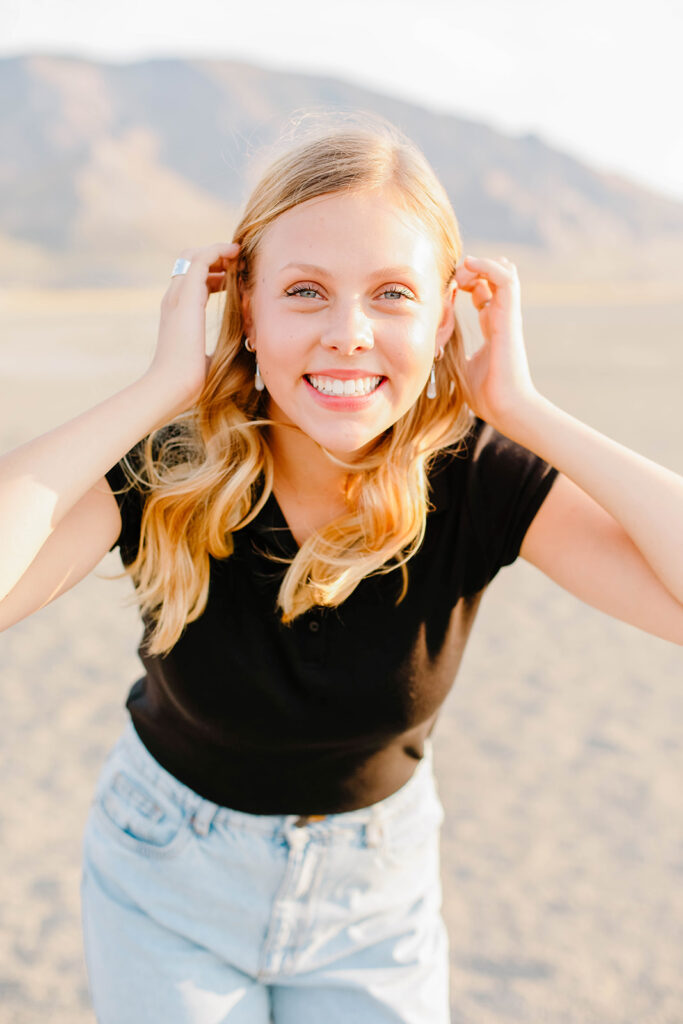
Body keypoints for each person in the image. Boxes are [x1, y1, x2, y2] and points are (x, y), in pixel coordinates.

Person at [1, 110, 681, 1024]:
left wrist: (524, 408)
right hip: (165, 883)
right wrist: (159, 389)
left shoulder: (475, 477)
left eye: (393, 294)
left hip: (373, 904)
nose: (349, 333)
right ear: (246, 306)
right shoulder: (170, 465)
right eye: (306, 292)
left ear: (448, 316)